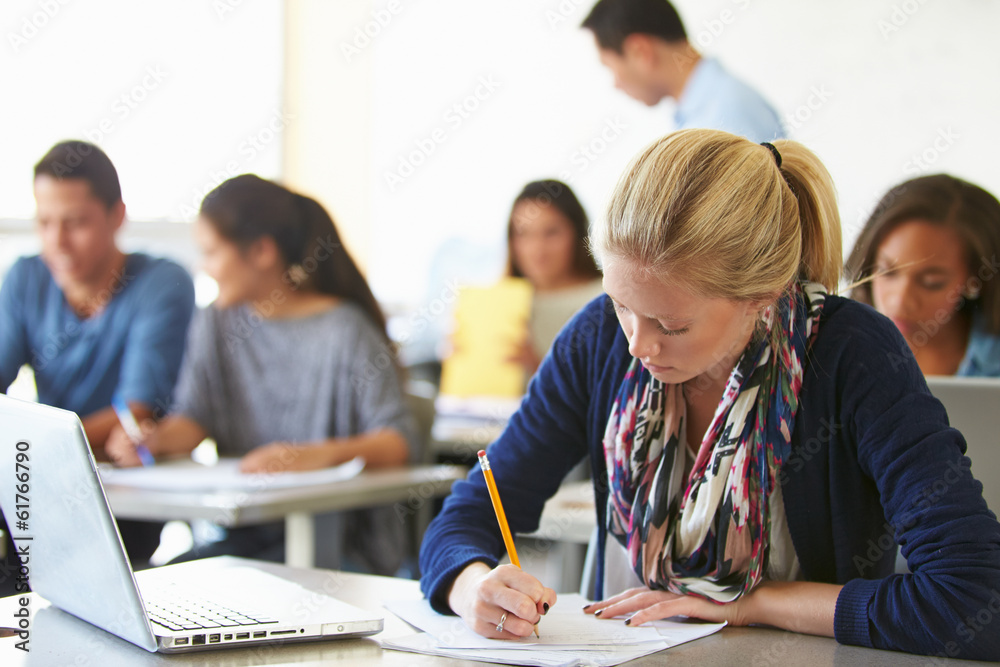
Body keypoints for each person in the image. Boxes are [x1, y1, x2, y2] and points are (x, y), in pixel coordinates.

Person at [419, 129, 1000, 660]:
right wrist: (472, 587)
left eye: (671, 326)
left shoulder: (854, 354)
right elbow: (463, 519)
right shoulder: (597, 338)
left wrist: (752, 604)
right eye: (623, 305)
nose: (638, 346)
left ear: (762, 296)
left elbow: (975, 600)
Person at [106, 174, 416, 574]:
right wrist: (153, 440)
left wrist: (311, 457)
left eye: (213, 252)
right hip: (247, 537)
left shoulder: (345, 330)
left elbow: (399, 441)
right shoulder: (215, 322)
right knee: (155, 589)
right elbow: (196, 416)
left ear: (262, 251)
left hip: (338, 549)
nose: (205, 267)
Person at [0, 140, 195, 574]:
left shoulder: (163, 283)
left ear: (117, 216)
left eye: (76, 223)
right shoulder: (25, 278)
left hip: (122, 495)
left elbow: (136, 410)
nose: (58, 242)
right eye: (45, 222)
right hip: (41, 480)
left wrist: (35, 455)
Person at [845, 174, 1000, 376]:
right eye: (887, 272)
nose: (901, 301)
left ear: (975, 281)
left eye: (931, 283)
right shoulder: (831, 351)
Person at [582, 0, 784, 142]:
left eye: (610, 67)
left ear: (640, 51)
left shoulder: (722, 118)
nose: (615, 84)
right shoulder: (710, 110)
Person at [505, 180, 603, 376]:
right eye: (524, 234)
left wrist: (537, 366)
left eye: (551, 233)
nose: (537, 248)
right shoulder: (502, 301)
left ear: (577, 234)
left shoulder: (607, 300)